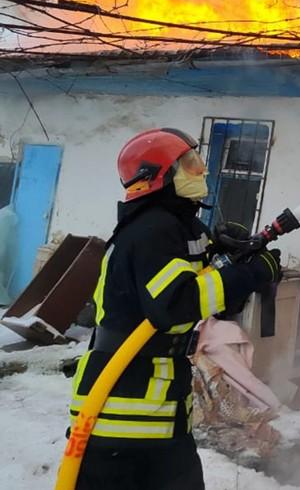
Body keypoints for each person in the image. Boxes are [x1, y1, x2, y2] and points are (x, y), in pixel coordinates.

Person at [69, 127, 282, 490]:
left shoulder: (178, 226)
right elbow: (176, 304)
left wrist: (224, 252)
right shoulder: (151, 231)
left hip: (160, 413)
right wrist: (249, 273)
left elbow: (204, 289)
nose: (202, 170)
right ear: (157, 177)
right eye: (189, 163)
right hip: (122, 416)